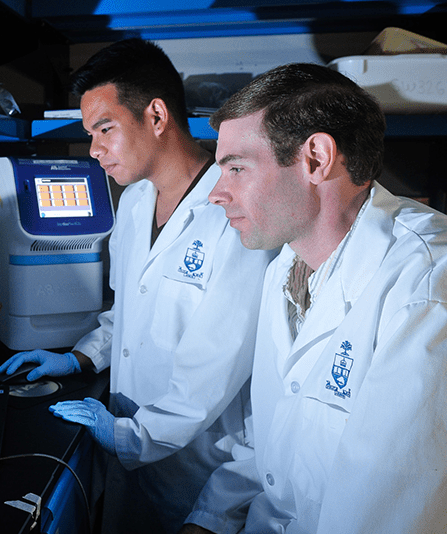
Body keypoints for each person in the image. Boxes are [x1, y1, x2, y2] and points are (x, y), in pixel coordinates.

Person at [0, 39, 275, 533]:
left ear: (157, 115)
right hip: (129, 455)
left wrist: (132, 435)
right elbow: (125, 313)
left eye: (105, 129)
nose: (94, 150)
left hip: (196, 474)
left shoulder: (234, 216)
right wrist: (81, 357)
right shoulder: (132, 202)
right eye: (89, 134)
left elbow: (213, 366)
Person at [183, 63, 447, 534]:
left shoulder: (425, 288)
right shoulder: (286, 268)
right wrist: (210, 518)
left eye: (236, 168)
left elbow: (387, 517)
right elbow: (278, 440)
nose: (215, 195)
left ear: (316, 158)